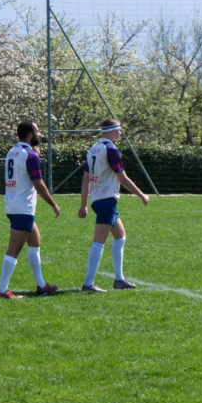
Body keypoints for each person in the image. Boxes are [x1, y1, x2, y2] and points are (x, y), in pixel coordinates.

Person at [78, 118, 150, 292]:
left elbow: (86, 178)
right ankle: (88, 283)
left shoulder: (93, 149)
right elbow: (122, 178)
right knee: (98, 243)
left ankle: (119, 280)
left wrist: (84, 204)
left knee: (120, 236)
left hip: (97, 200)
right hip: (107, 199)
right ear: (111, 131)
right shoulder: (111, 150)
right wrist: (141, 194)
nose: (120, 133)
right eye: (118, 130)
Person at [0, 121, 61, 299]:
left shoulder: (12, 151)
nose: (39, 134)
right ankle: (2, 289)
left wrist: (35, 155)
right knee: (14, 249)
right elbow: (38, 184)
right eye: (37, 131)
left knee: (35, 242)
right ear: (31, 134)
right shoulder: (30, 155)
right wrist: (53, 204)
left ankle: (41, 285)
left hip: (12, 204)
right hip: (22, 207)